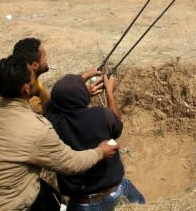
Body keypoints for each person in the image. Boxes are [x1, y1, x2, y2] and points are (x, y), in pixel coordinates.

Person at [0, 56, 119, 210]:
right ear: (26, 88)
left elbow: (52, 105)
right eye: (33, 78)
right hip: (12, 205)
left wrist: (79, 88)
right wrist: (100, 152)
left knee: (53, 197)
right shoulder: (36, 128)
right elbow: (70, 163)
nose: (36, 80)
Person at [46, 73, 145, 210]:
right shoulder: (101, 115)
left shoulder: (52, 125)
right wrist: (109, 92)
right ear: (83, 96)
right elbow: (117, 126)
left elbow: (52, 103)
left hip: (83, 203)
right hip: (117, 192)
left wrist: (80, 90)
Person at [0, 37, 104, 113]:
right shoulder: (28, 98)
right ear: (35, 66)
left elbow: (52, 102)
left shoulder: (21, 81)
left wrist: (83, 78)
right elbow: (53, 116)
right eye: (44, 56)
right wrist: (82, 94)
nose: (47, 59)